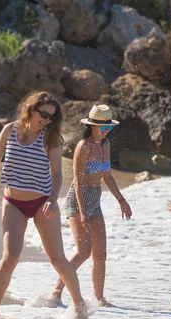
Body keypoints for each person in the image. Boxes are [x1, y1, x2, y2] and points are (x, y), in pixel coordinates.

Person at [0, 91, 89, 319]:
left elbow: (57, 173)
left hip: (43, 202)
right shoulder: (9, 130)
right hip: (13, 203)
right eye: (43, 114)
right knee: (10, 257)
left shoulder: (50, 138)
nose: (47, 119)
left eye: (52, 116)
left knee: (58, 260)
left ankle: (79, 305)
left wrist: (53, 198)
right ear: (30, 109)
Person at [47, 104, 132, 307]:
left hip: (95, 199)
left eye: (109, 128)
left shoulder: (106, 144)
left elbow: (108, 176)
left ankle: (100, 299)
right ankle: (56, 291)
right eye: (102, 128)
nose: (105, 131)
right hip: (78, 199)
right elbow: (77, 180)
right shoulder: (83, 146)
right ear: (92, 126)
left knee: (101, 254)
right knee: (84, 251)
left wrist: (121, 200)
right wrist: (83, 211)